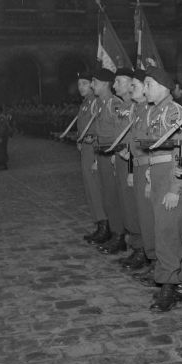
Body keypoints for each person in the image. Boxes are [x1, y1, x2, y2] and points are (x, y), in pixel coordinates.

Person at [140, 66, 182, 312]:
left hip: (172, 175)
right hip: (159, 175)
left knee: (167, 233)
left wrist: (175, 187)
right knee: (174, 232)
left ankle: (168, 287)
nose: (144, 89)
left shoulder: (174, 112)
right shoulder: (155, 112)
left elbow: (181, 152)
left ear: (163, 86)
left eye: (148, 84)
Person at [98, 67, 142, 255]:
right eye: (114, 81)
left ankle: (141, 249)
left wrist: (130, 161)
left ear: (131, 83)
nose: (115, 85)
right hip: (121, 158)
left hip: (132, 160)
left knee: (134, 205)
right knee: (124, 203)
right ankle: (132, 243)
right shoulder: (123, 107)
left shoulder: (136, 107)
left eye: (119, 81)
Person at [120, 68, 157, 275]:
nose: (131, 89)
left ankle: (153, 260)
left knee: (150, 218)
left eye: (135, 85)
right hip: (138, 164)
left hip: (148, 167)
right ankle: (145, 253)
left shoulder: (151, 110)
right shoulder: (139, 110)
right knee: (141, 215)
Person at [89, 68, 126, 249]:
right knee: (106, 197)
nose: (91, 85)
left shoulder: (114, 104)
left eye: (94, 82)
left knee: (113, 197)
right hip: (102, 156)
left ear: (104, 84)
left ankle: (119, 236)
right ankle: (112, 231)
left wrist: (115, 154)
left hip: (112, 156)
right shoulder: (101, 104)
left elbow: (121, 132)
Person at [77, 71, 109, 244]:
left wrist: (96, 155)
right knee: (90, 189)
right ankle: (99, 223)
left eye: (84, 83)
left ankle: (105, 225)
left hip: (94, 150)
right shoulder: (85, 103)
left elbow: (99, 129)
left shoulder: (96, 103)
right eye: (79, 83)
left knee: (97, 189)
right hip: (85, 151)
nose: (80, 87)